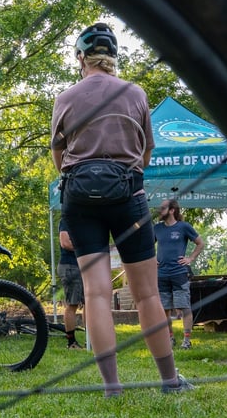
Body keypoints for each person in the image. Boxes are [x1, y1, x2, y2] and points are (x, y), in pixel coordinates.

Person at [51, 22, 191, 396]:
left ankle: (112, 386)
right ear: (113, 57)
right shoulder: (135, 93)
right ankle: (169, 380)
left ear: (81, 56)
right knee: (146, 294)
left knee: (96, 293)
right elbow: (147, 151)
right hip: (128, 195)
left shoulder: (65, 98)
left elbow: (58, 155)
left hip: (79, 197)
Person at [155, 199, 204, 349]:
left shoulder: (183, 227)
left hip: (179, 273)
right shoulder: (156, 228)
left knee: (184, 306)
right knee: (164, 308)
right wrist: (151, 260)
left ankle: (186, 341)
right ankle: (170, 338)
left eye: (163, 208)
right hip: (161, 274)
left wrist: (190, 258)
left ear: (171, 210)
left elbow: (200, 243)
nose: (159, 210)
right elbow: (145, 246)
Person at [58, 218, 85, 349]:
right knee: (72, 304)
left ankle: (90, 340)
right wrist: (87, 248)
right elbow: (65, 242)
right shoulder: (67, 220)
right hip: (70, 266)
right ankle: (71, 343)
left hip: (83, 266)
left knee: (89, 304)